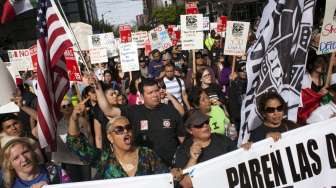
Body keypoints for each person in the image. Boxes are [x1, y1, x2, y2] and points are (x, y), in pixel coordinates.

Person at [95, 78, 185, 166]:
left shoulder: (171, 111)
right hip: (143, 168)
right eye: (150, 93)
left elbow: (182, 139)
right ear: (142, 96)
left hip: (170, 167)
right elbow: (108, 110)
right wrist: (97, 87)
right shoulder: (133, 111)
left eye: (156, 91)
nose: (155, 95)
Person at [67, 104, 168, 179]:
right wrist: (74, 119)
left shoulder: (147, 154)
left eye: (128, 128)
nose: (126, 132)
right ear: (110, 137)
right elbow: (76, 144)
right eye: (119, 130)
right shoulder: (104, 159)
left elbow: (164, 177)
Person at [172, 110, 236, 188]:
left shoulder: (223, 139)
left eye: (206, 122)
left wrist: (247, 150)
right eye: (199, 125)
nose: (205, 125)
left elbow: (240, 162)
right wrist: (193, 159)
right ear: (189, 130)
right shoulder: (182, 151)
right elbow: (186, 184)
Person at [1, 137, 70, 188]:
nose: (24, 159)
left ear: (33, 152)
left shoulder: (55, 171)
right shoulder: (7, 183)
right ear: (10, 165)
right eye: (16, 158)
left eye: (25, 152)